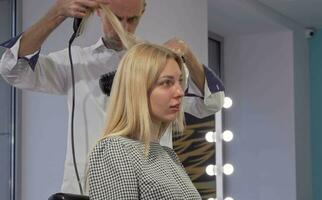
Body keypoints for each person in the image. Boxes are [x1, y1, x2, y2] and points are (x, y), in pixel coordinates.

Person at [0, 0, 225, 194]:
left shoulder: (159, 68)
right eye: (117, 18)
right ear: (99, 10)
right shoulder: (75, 62)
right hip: (86, 190)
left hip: (149, 188)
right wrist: (57, 13)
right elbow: (12, 69)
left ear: (143, 12)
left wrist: (188, 54)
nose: (123, 28)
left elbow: (211, 102)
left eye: (132, 19)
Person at [89, 42, 201, 199]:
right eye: (166, 82)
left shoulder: (168, 155)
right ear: (138, 89)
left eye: (179, 82)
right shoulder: (115, 149)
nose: (179, 92)